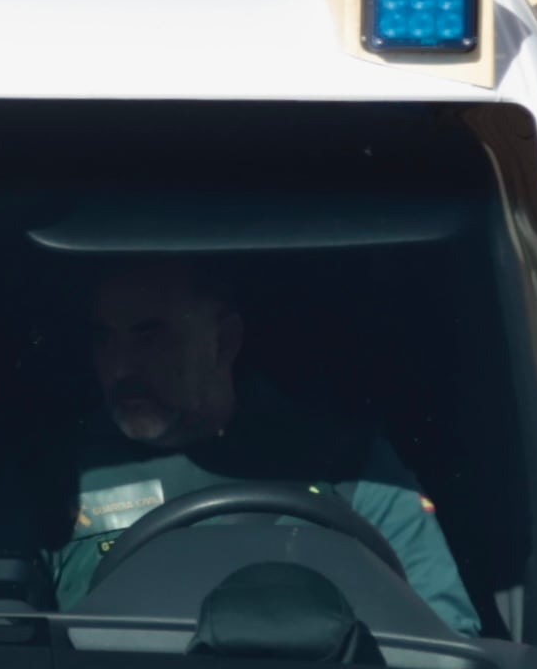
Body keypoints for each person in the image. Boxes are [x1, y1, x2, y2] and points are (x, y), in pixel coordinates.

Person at [50, 255, 481, 633]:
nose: (121, 366)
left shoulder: (344, 463)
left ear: (225, 341)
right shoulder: (56, 473)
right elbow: (10, 640)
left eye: (150, 335)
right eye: (103, 338)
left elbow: (445, 644)